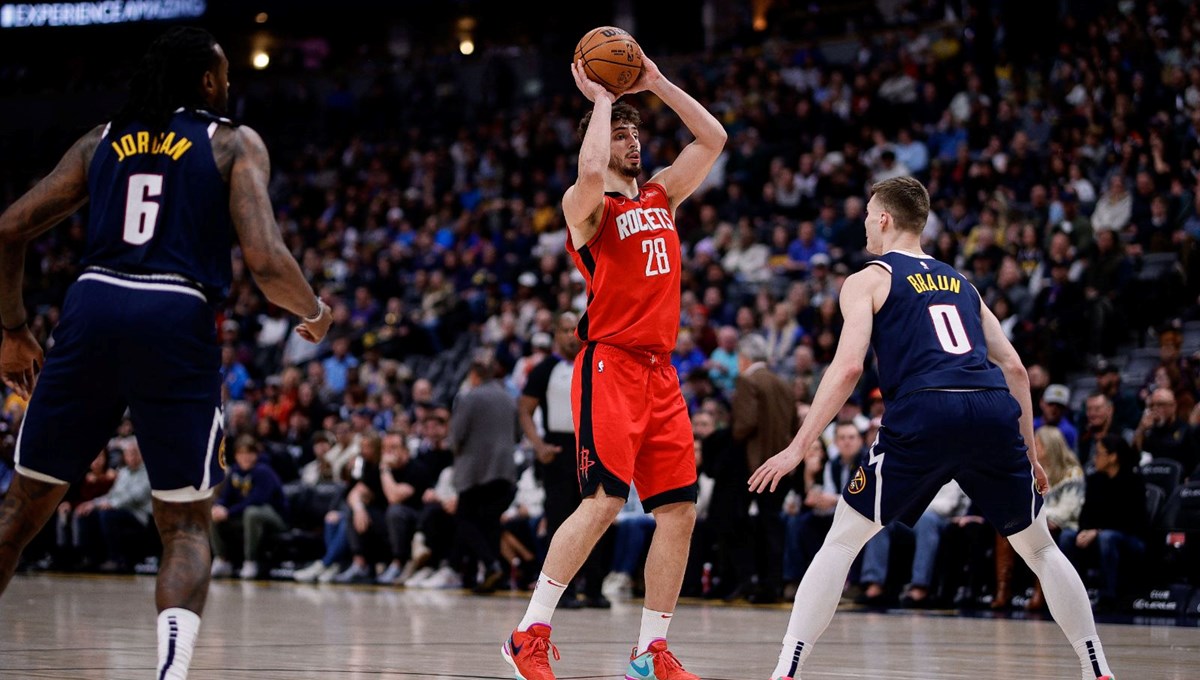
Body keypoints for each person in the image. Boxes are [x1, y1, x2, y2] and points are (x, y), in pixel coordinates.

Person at [0, 27, 332, 680]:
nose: (231, 83)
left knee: (21, 508)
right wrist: (314, 313)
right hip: (174, 311)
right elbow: (265, 260)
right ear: (208, 82)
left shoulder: (103, 139)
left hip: (92, 305)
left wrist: (12, 327)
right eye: (226, 73)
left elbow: (10, 226)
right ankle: (170, 676)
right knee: (182, 525)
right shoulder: (233, 141)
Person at [749, 177, 1117, 680]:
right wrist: (1029, 453)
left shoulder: (869, 278)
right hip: (990, 409)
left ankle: (784, 672)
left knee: (841, 541)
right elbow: (1015, 370)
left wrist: (798, 446)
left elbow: (849, 368)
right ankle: (1097, 670)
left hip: (925, 408)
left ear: (883, 218)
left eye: (867, 215)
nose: (862, 225)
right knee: (1041, 548)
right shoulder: (963, 283)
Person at [502, 50, 726, 680]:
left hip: (661, 370)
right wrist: (602, 103)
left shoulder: (663, 193)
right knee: (603, 501)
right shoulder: (588, 207)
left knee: (679, 510)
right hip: (611, 365)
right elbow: (592, 167)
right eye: (621, 134)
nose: (633, 142)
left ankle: (648, 652)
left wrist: (654, 82)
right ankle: (529, 632)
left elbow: (713, 138)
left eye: (636, 132)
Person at [519, 311, 612, 608]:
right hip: (558, 451)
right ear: (555, 335)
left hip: (593, 447)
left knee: (597, 518)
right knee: (560, 519)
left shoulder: (596, 363)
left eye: (576, 329)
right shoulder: (545, 368)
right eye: (564, 329)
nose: (570, 334)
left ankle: (595, 588)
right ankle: (563, 592)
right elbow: (524, 410)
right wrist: (538, 445)